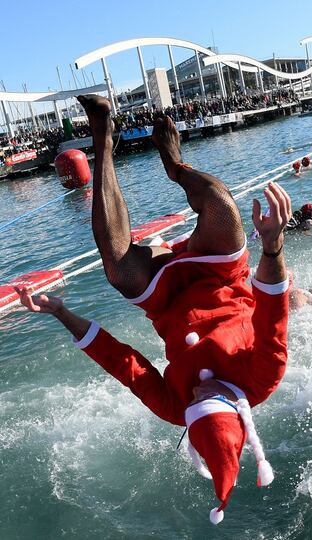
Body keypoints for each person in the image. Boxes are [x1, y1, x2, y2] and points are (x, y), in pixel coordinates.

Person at [17, 94, 292, 525]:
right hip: (220, 277)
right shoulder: (263, 377)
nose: (197, 395)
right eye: (209, 400)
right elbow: (273, 308)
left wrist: (60, 313)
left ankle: (102, 137)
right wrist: (273, 246)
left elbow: (123, 363)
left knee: (118, 271)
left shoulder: (172, 407)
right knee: (221, 203)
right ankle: (173, 164)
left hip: (164, 303)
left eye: (194, 408)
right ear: (238, 408)